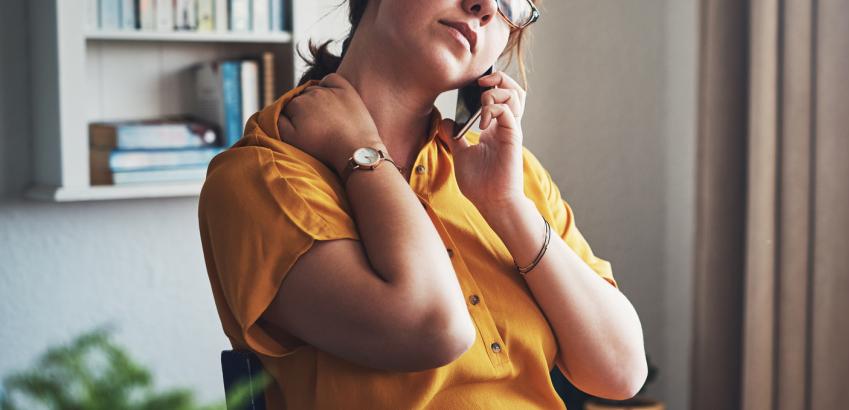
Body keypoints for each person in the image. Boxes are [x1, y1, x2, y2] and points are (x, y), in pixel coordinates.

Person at [197, 0, 647, 407]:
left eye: (511, 1)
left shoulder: (507, 171)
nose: (485, 7)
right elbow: (434, 328)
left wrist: (507, 207)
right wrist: (361, 152)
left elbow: (621, 373)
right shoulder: (261, 175)